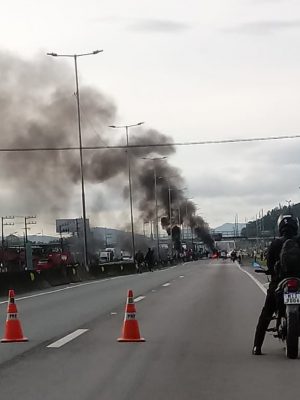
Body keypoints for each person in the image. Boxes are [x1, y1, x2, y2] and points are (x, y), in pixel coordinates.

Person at [252, 214, 299, 355]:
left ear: (280, 227)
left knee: (267, 313)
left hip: (279, 282)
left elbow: (270, 264)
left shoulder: (276, 243)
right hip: (298, 281)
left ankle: (257, 346)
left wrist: (272, 271)